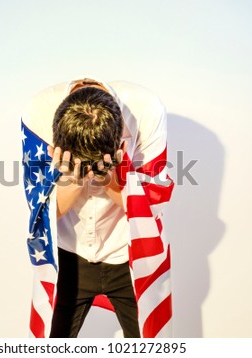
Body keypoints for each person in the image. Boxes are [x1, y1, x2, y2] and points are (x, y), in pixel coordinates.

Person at [21, 78, 174, 338]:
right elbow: (43, 214)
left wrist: (111, 179)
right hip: (69, 254)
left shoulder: (146, 109)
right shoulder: (38, 110)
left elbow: (151, 207)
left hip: (129, 252)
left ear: (121, 144)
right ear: (53, 145)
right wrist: (77, 179)